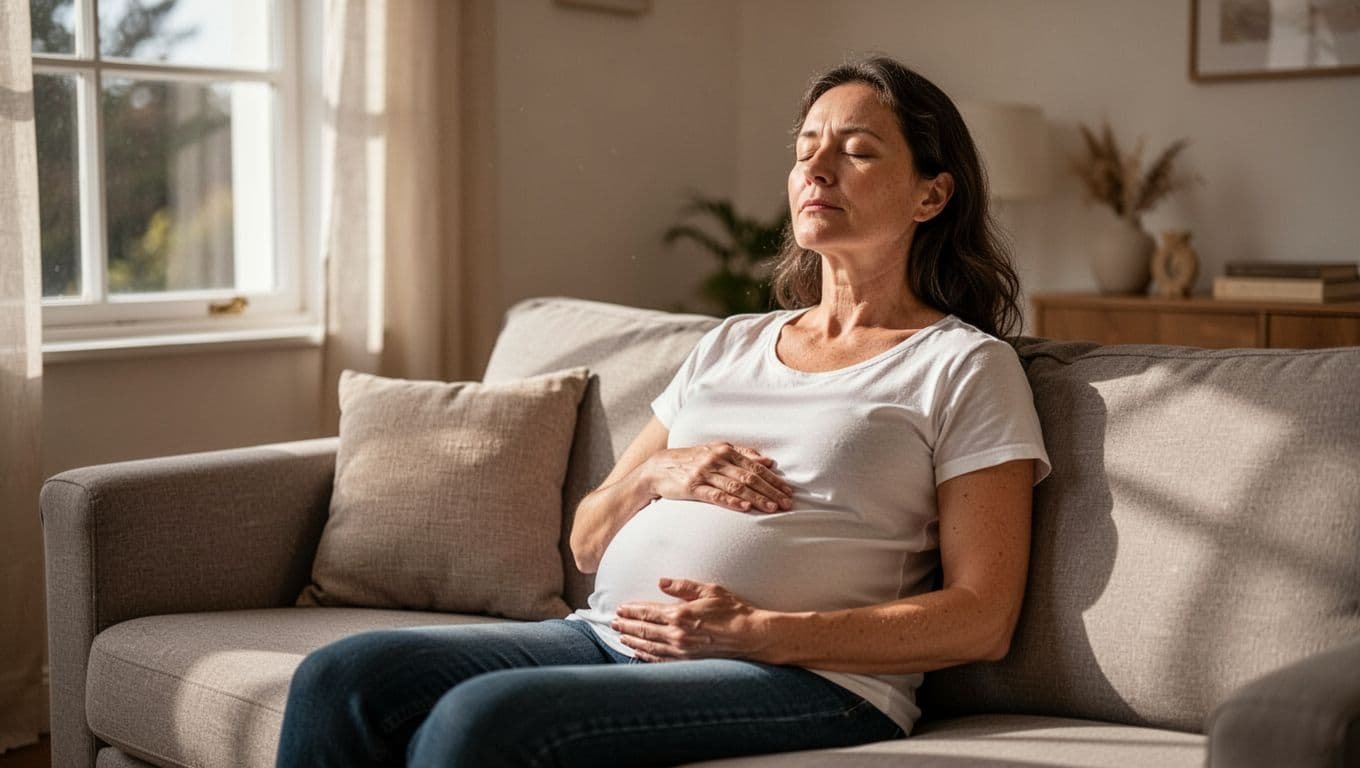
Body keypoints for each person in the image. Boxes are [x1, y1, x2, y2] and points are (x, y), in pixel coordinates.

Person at [275, 55, 1051, 768]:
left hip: (814, 680)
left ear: (932, 193)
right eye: (806, 145)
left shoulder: (963, 366)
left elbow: (981, 618)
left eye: (855, 150)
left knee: (485, 720)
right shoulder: (732, 343)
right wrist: (657, 471)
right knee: (342, 676)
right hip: (604, 638)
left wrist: (761, 633)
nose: (816, 167)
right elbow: (585, 540)